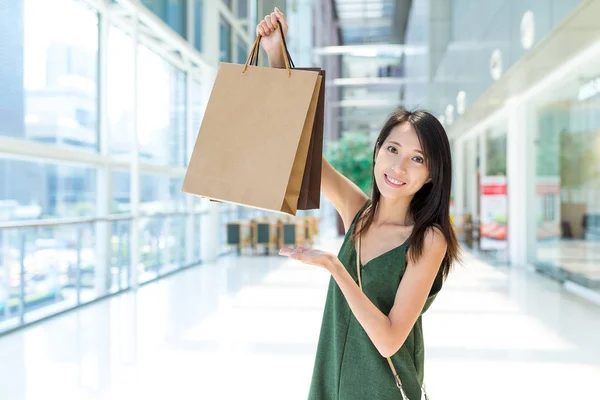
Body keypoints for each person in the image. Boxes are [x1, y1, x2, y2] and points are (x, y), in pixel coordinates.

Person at [258, 8, 460, 400]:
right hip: (331, 382)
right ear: (377, 152)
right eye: (393, 149)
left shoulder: (428, 239)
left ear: (432, 174)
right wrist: (276, 55)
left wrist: (336, 267)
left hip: (381, 390)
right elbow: (301, 152)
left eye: (417, 159)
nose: (399, 167)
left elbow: (388, 341)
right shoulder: (359, 212)